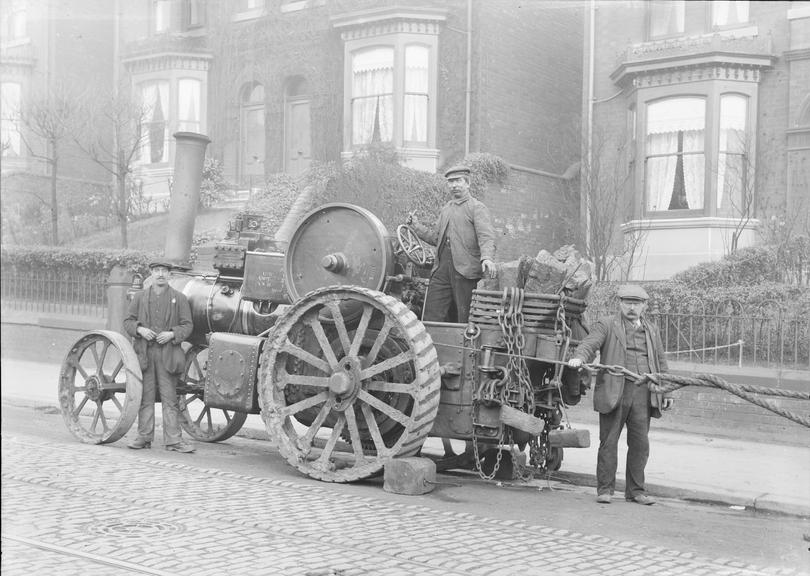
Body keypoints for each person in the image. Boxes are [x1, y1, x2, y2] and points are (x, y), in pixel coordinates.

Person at [567, 285, 673, 505]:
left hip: (643, 393)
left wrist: (667, 390)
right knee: (609, 442)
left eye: (636, 304)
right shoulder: (606, 324)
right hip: (614, 391)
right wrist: (579, 357)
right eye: (627, 303)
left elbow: (661, 362)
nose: (632, 307)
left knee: (640, 444)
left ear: (644, 306)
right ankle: (605, 490)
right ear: (620, 304)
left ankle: (636, 491)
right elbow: (589, 344)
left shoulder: (651, 330)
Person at [123, 259, 195, 453]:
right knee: (145, 398)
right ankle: (144, 437)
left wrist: (172, 334)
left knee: (169, 398)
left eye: (164, 271)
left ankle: (173, 440)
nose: (161, 274)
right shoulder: (140, 297)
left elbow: (187, 325)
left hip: (168, 355)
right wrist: (140, 330)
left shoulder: (179, 298)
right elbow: (128, 321)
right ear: (151, 274)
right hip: (145, 354)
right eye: (157, 271)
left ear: (170, 275)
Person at [410, 164, 497, 323]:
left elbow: (486, 236)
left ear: (468, 183)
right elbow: (436, 239)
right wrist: (416, 226)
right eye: (451, 182)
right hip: (442, 268)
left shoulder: (476, 208)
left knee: (464, 318)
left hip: (465, 270)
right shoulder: (446, 210)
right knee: (432, 314)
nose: (454, 185)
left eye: (458, 181)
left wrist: (487, 258)